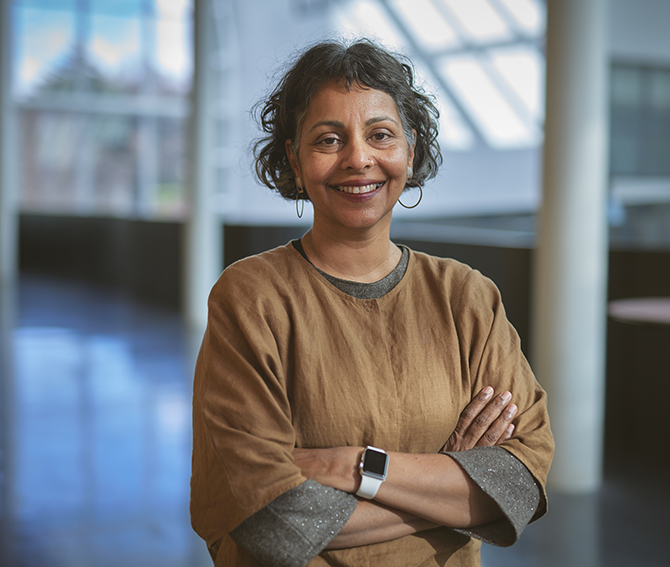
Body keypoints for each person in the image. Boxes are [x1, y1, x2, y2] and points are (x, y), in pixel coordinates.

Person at [190, 39, 554, 567]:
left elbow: (519, 483)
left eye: (380, 135)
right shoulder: (251, 297)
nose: (358, 158)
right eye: (328, 139)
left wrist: (355, 465)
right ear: (293, 158)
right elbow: (270, 521)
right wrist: (454, 489)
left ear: (410, 148)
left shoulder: (467, 297)